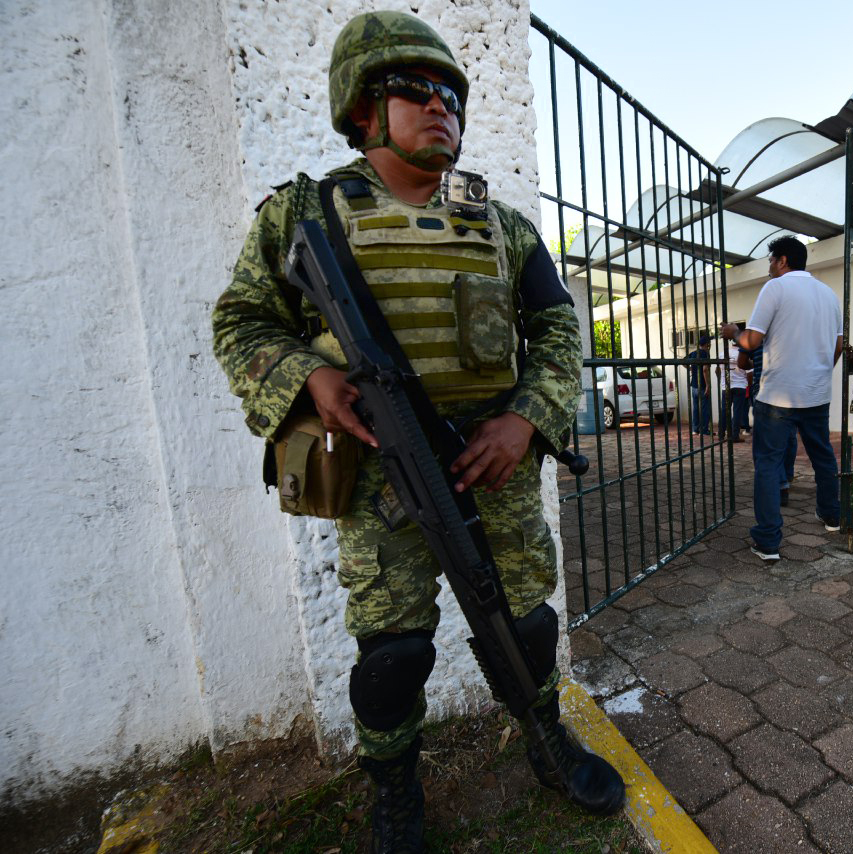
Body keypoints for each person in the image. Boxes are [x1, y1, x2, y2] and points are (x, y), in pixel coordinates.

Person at [210, 11, 623, 852]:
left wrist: (525, 419)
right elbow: (242, 322)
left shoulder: (500, 225)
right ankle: (396, 791)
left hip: (490, 469)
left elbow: (557, 328)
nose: (443, 108)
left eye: (453, 97)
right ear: (363, 108)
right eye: (417, 91)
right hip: (376, 475)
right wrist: (310, 378)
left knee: (527, 628)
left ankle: (547, 740)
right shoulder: (306, 214)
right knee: (392, 655)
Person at [721, 236, 843, 561]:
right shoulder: (830, 294)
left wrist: (733, 332)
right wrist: (818, 371)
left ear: (783, 260)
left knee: (768, 464)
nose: (769, 267)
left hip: (777, 396)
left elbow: (752, 340)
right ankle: (832, 516)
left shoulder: (775, 289)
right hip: (817, 394)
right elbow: (839, 345)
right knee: (823, 456)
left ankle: (768, 542)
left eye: (771, 261)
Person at [739, 341, 798, 503]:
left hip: (764, 388)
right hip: (789, 388)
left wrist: (758, 363)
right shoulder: (791, 327)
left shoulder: (758, 327)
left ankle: (780, 484)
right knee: (789, 436)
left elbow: (742, 362)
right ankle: (787, 475)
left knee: (769, 441)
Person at [717, 325, 750, 442]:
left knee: (724, 410)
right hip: (740, 386)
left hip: (725, 385)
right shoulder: (742, 353)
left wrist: (722, 380)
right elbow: (749, 371)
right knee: (737, 412)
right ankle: (734, 436)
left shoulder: (722, 353)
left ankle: (721, 435)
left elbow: (718, 370)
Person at [685, 334, 712, 435]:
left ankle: (695, 429)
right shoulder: (705, 354)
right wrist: (708, 385)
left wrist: (692, 369)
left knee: (696, 408)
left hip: (694, 386)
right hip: (702, 385)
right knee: (705, 408)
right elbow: (705, 369)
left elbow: (683, 362)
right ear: (707, 344)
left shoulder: (693, 353)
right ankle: (704, 430)